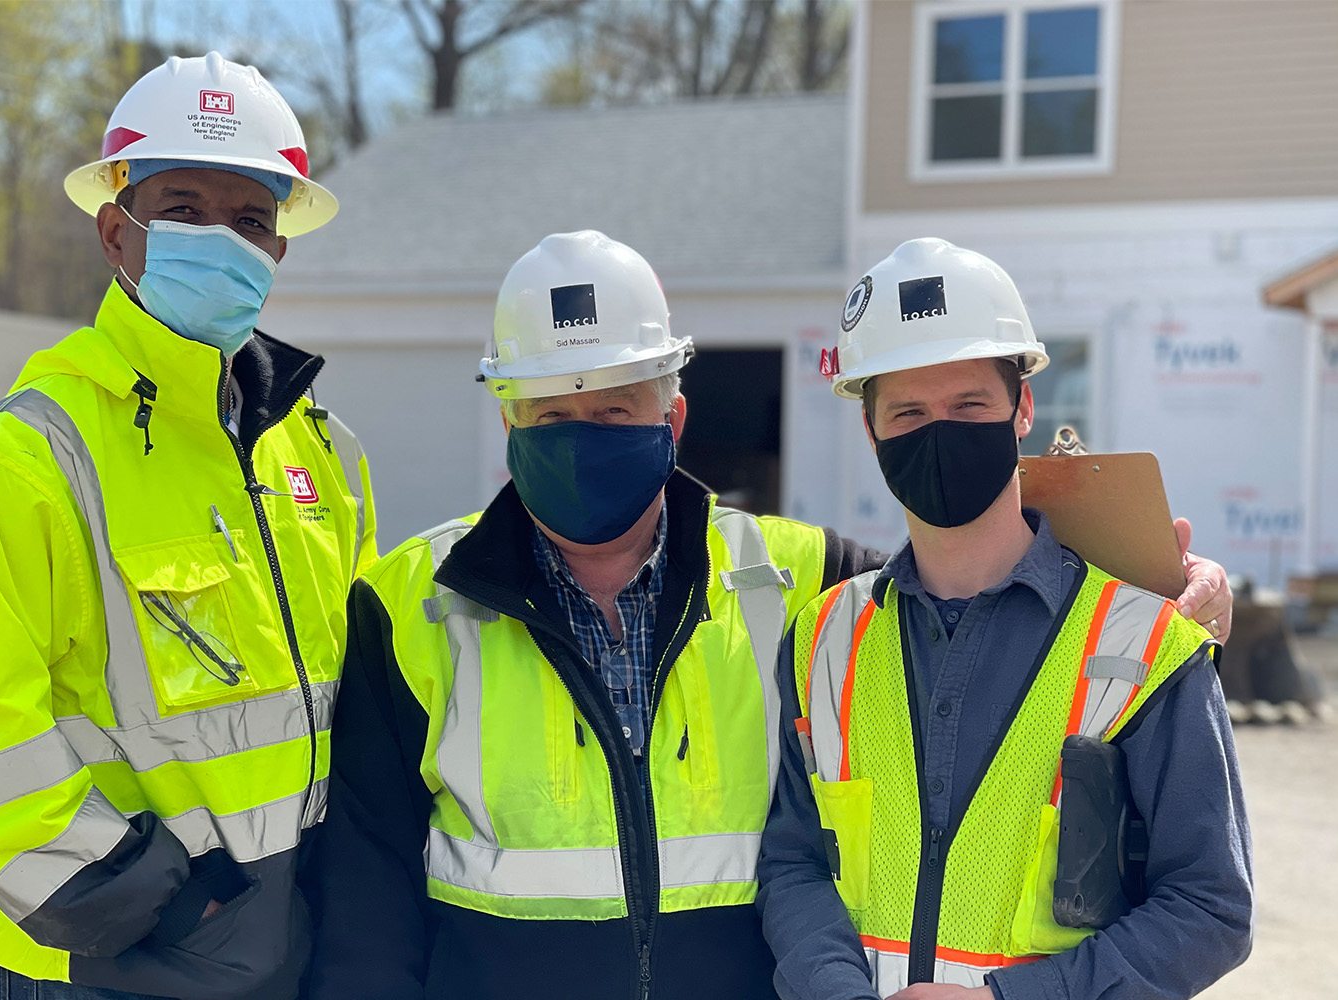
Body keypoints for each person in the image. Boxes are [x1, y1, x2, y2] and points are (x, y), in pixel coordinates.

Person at [306, 231, 1231, 1000]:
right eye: (552, 414)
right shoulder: (407, 603)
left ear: (671, 422)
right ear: (507, 424)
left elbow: (976, 575)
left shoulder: (802, 582)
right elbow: (366, 888)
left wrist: (1159, 574)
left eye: (617, 407)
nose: (583, 435)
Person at [0, 52, 374, 1000]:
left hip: (288, 944)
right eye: (182, 209)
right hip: (105, 959)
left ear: (278, 249)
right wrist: (164, 911)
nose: (220, 238)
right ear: (115, 231)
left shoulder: (321, 456)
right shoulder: (26, 458)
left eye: (251, 219)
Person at [757, 238, 1252, 1000]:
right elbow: (792, 862)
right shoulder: (823, 639)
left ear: (1023, 407)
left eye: (969, 406)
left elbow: (1210, 908)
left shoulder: (1149, 646)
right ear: (870, 430)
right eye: (910, 412)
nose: (939, 431)